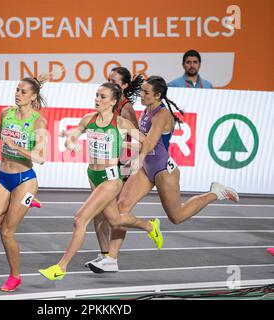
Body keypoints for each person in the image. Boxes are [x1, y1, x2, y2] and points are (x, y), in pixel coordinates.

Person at [87, 75, 239, 273]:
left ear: (157, 96)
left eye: (146, 93)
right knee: (122, 209)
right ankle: (111, 259)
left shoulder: (162, 115)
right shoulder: (146, 111)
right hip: (145, 169)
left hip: (163, 170)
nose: (141, 95)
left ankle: (215, 193)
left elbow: (149, 144)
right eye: (141, 91)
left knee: (177, 216)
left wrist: (134, 160)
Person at [38, 82, 163, 280]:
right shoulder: (89, 119)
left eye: (103, 97)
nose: (97, 99)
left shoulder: (120, 123)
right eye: (97, 95)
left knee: (80, 219)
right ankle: (150, 226)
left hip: (111, 178)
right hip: (93, 175)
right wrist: (70, 142)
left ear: (113, 101)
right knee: (115, 220)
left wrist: (139, 156)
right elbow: (72, 136)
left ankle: (60, 268)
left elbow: (147, 140)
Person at [0, 76, 48, 291]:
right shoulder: (6, 113)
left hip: (25, 180)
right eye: (17, 90)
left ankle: (15, 276)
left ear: (33, 97)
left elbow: (41, 157)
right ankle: (22, 203)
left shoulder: (38, 121)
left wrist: (15, 146)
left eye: (23, 92)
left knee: (6, 231)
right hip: (3, 178)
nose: (18, 94)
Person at [85, 67, 143, 268]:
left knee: (114, 215)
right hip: (102, 167)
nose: (110, 83)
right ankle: (104, 255)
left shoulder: (125, 109)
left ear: (124, 86)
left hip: (120, 168)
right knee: (98, 213)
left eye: (115, 81)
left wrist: (127, 166)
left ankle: (112, 258)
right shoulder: (106, 105)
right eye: (108, 79)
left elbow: (135, 139)